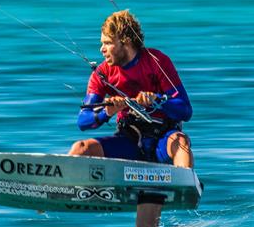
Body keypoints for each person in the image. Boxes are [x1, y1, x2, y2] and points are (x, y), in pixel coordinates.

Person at [68, 10, 194, 168]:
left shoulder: (157, 61)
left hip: (163, 138)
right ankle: (62, 187)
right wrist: (108, 111)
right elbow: (82, 121)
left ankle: (184, 187)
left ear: (125, 42)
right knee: (81, 149)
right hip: (129, 140)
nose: (102, 49)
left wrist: (157, 101)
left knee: (181, 143)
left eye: (107, 43)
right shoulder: (102, 73)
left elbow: (185, 110)